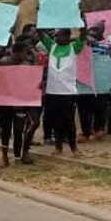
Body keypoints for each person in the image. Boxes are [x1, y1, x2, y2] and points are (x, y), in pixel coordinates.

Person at [41, 28, 85, 156]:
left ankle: (74, 147)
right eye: (56, 36)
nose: (56, 38)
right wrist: (41, 16)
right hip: (52, 91)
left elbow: (83, 36)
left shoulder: (74, 48)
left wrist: (82, 22)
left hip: (68, 92)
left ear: (67, 36)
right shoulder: (52, 47)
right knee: (56, 121)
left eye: (59, 35)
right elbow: (40, 33)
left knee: (69, 121)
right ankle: (58, 146)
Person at [0, 41, 36, 166]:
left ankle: (18, 157)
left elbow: (35, 75)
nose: (25, 55)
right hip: (5, 104)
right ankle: (4, 156)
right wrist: (2, 48)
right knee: (6, 130)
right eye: (24, 52)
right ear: (17, 52)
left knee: (18, 131)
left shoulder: (27, 64)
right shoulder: (4, 63)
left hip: (20, 104)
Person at [77, 21, 110, 143]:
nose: (93, 32)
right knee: (84, 108)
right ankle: (85, 132)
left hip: (101, 82)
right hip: (84, 82)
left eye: (97, 30)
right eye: (92, 30)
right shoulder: (80, 46)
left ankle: (99, 129)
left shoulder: (106, 46)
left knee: (101, 106)